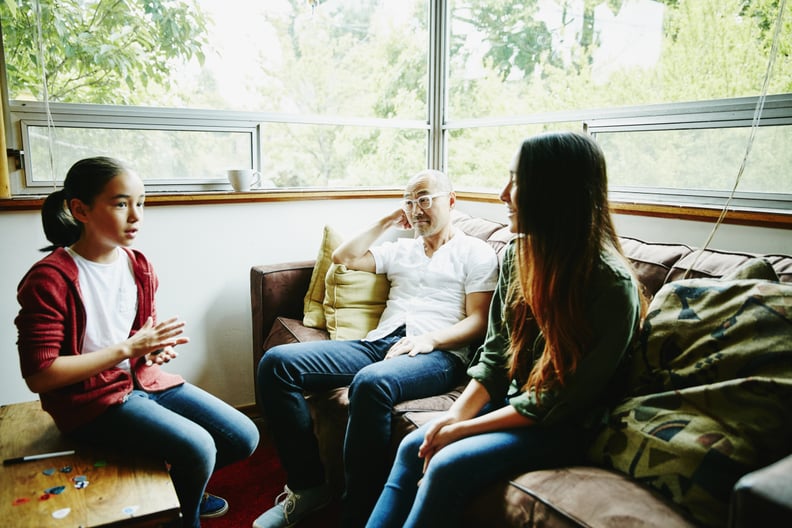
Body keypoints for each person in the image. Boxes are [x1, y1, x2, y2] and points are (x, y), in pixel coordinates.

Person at [365, 131, 649, 528]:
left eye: (516, 181)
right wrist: (453, 419)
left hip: (564, 425)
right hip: (512, 404)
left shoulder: (610, 286)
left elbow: (555, 402)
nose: (502, 194)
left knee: (447, 463)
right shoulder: (519, 255)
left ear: (555, 193)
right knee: (416, 444)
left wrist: (461, 430)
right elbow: (497, 356)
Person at [15, 157, 260, 528]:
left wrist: (154, 348)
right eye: (120, 203)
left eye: (141, 202)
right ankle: (183, 517)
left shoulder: (139, 264)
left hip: (142, 381)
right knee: (198, 448)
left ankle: (181, 488)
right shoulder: (48, 279)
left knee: (243, 436)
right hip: (89, 402)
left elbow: (137, 339)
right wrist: (130, 348)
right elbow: (41, 375)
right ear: (79, 209)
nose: (136, 216)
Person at [253, 169, 499, 528]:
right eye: (410, 201)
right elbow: (344, 257)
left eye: (425, 199)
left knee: (370, 384)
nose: (416, 209)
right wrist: (387, 219)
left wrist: (429, 339)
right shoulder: (402, 249)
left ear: (451, 200)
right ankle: (309, 487)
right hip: (381, 343)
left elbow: (478, 321)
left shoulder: (475, 252)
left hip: (439, 354)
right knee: (276, 365)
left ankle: (357, 514)